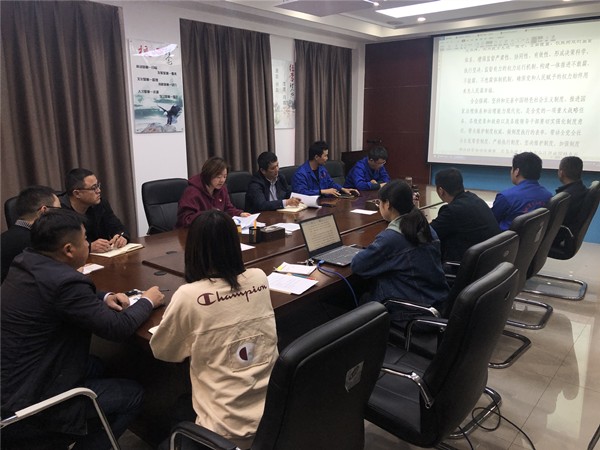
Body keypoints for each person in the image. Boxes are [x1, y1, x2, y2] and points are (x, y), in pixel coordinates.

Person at [1, 208, 164, 449]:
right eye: (85, 239)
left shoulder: (26, 262)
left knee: (99, 365)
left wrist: (104, 297)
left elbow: (59, 295)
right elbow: (117, 328)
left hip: (13, 379)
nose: (88, 244)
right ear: (68, 250)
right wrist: (148, 300)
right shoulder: (65, 283)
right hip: (29, 402)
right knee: (134, 395)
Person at [150, 210, 277, 449]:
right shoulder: (259, 278)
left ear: (193, 250)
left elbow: (163, 351)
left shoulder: (189, 296)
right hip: (273, 418)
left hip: (224, 434)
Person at [351, 180, 449, 326]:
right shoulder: (425, 226)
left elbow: (358, 266)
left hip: (413, 314)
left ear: (388, 204)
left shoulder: (391, 238)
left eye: (379, 202)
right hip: (436, 303)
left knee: (362, 297)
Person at [430, 168, 500, 262]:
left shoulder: (452, 211)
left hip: (468, 266)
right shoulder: (474, 198)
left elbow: (427, 234)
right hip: (491, 261)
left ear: (440, 190)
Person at [59, 168, 130, 253]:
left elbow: (118, 227)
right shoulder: (60, 212)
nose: (99, 191)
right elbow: (60, 246)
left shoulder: (101, 204)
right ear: (77, 193)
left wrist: (122, 237)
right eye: (94, 188)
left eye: (98, 186)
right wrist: (89, 247)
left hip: (104, 256)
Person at [1, 185, 60, 283]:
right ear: (44, 211)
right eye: (58, 210)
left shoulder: (4, 238)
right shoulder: (38, 243)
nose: (61, 215)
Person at [176, 156, 250, 228]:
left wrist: (240, 214)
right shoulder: (192, 192)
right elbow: (186, 219)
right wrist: (210, 214)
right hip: (192, 231)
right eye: (218, 177)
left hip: (213, 228)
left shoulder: (222, 189)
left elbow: (227, 208)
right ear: (208, 175)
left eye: (225, 176)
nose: (222, 180)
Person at [491, 152, 552, 231]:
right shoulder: (548, 196)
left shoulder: (505, 197)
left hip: (506, 238)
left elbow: (490, 222)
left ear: (517, 171)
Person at [292, 140, 359, 197]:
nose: (327, 158)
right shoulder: (300, 173)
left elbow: (330, 183)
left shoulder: (322, 169)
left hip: (324, 202)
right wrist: (322, 191)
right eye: (325, 156)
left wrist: (343, 189)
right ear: (316, 157)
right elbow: (301, 192)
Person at [554, 156, 589, 245]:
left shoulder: (564, 198)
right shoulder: (581, 190)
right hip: (568, 236)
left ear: (561, 173)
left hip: (558, 238)